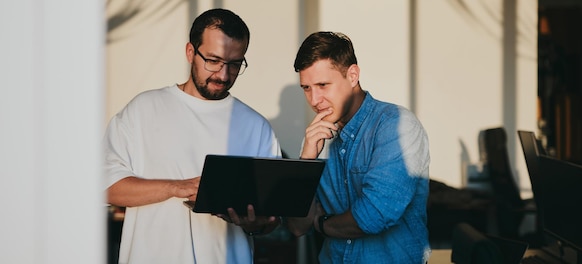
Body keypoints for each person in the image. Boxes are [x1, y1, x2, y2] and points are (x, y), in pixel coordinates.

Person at [104, 8, 282, 264]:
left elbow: (271, 220)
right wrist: (178, 187)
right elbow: (105, 186)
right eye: (213, 60)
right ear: (190, 52)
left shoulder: (257, 126)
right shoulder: (143, 109)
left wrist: (256, 223)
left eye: (234, 64)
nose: (223, 74)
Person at [286, 31, 431, 263]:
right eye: (306, 88)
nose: (314, 100)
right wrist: (306, 161)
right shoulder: (315, 139)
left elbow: (373, 216)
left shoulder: (396, 125)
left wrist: (321, 223)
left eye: (323, 85)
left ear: (352, 75)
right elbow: (296, 226)